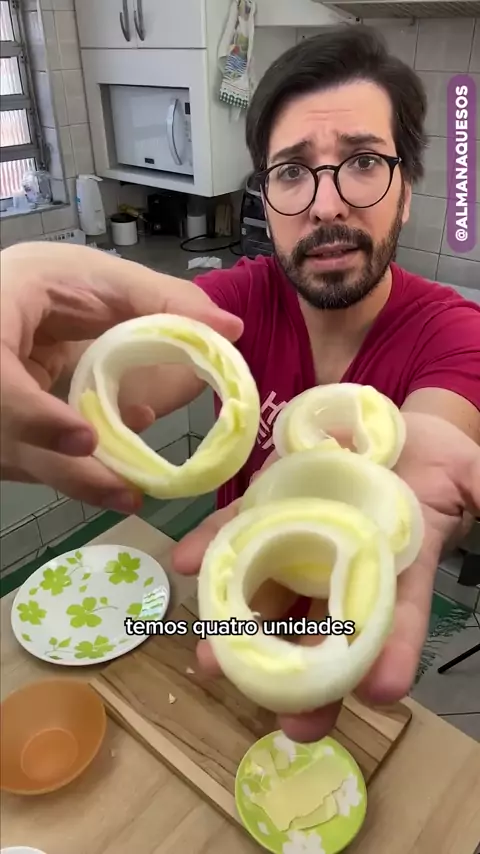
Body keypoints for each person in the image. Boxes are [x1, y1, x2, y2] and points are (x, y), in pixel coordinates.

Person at [1, 26, 479, 742]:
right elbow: (121, 370)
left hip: (352, 621)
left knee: (336, 741)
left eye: (362, 162)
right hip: (233, 606)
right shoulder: (233, 306)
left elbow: (439, 429)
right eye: (291, 171)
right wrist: (43, 336)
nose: (325, 205)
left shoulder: (454, 331)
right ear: (266, 195)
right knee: (226, 736)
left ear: (405, 190)